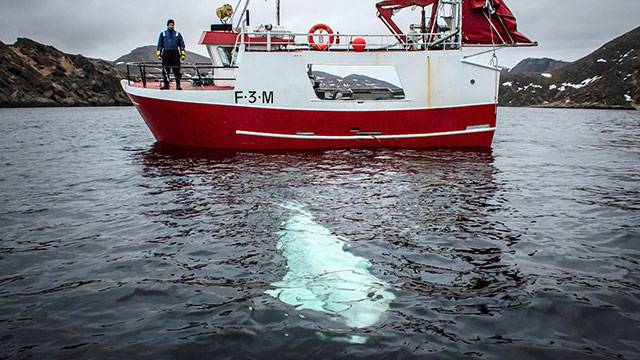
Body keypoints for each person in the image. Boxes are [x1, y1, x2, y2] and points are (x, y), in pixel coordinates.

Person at [156, 19, 186, 90]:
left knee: (177, 70)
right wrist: (159, 54)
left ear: (174, 25)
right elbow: (159, 44)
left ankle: (178, 85)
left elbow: (182, 44)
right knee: (166, 70)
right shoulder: (163, 34)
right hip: (166, 53)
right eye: (170, 25)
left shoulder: (177, 34)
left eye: (172, 25)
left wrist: (183, 54)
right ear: (167, 25)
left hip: (175, 53)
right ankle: (166, 85)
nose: (171, 26)